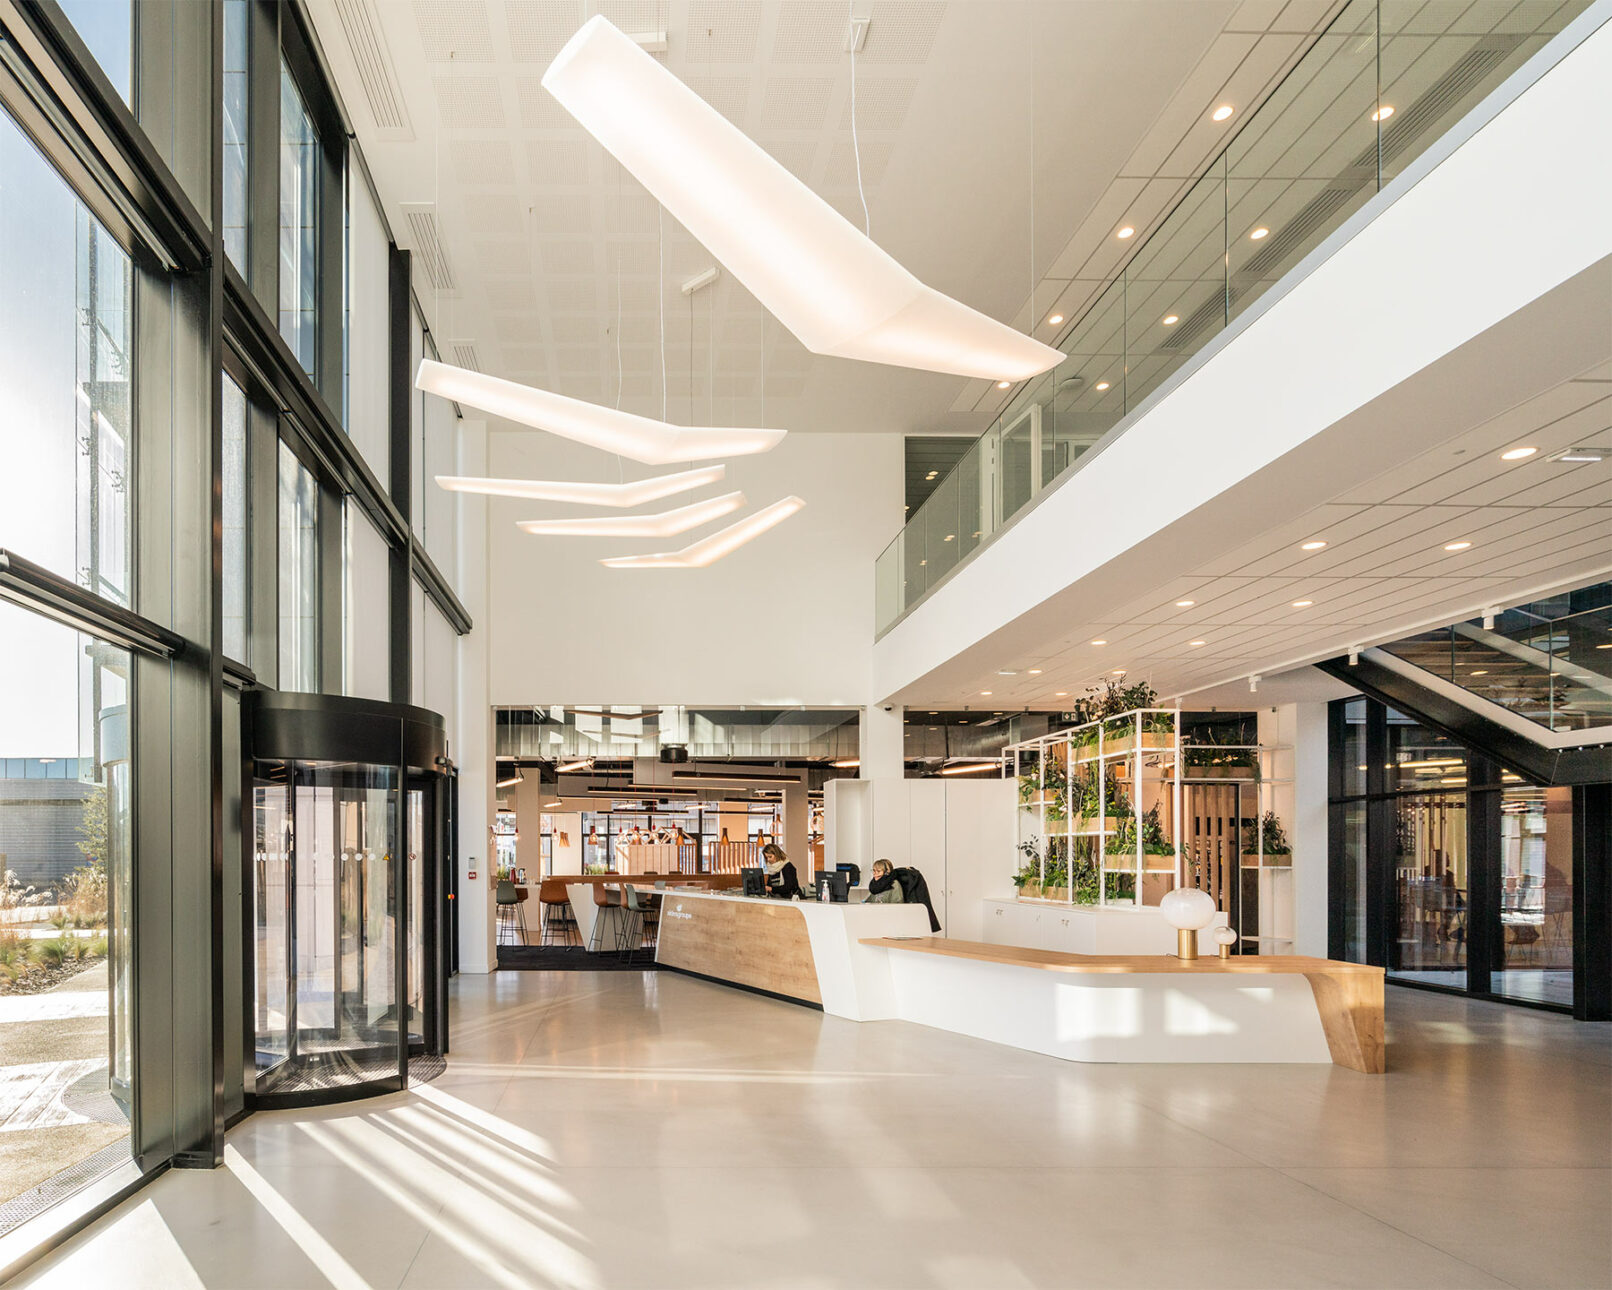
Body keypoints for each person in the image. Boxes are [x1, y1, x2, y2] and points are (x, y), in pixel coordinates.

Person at [866, 859, 941, 932]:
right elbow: (869, 901)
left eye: (878, 871)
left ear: (886, 872)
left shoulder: (894, 884)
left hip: (890, 922)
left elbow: (898, 905)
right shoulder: (875, 886)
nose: (875, 873)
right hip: (878, 920)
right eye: (873, 870)